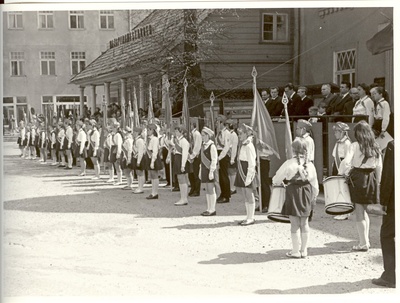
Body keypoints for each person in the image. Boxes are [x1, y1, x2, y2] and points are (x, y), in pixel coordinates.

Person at [338, 121, 382, 252]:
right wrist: (378, 182)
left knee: (359, 212)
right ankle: (365, 241)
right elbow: (379, 166)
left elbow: (346, 162)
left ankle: (363, 243)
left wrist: (342, 173)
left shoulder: (354, 145)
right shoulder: (376, 146)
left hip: (358, 177)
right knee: (364, 210)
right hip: (371, 178)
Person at [272, 137, 319, 258]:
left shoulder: (289, 163)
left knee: (294, 223)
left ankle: (295, 251)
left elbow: (276, 178)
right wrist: (313, 197)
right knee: (305, 222)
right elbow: (315, 184)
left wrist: (278, 183)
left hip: (293, 192)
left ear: (293, 150)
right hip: (307, 192)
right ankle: (304, 251)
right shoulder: (310, 165)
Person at [371, 140, 395, 288]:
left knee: (387, 234)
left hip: (395, 200)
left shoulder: (393, 145)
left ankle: (390, 276)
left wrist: (384, 200)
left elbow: (388, 176)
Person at [235, 123, 258, 226]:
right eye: (238, 133)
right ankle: (247, 216)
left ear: (246, 133)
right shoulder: (243, 144)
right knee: (245, 194)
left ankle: (251, 217)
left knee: (249, 194)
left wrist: (249, 177)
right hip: (242, 169)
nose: (239, 135)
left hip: (247, 171)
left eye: (240, 133)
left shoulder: (249, 145)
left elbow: (252, 163)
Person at [331, 122, 352, 220]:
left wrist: (345, 172)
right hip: (337, 166)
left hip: (343, 168)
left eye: (336, 131)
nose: (334, 133)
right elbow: (335, 156)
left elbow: (347, 159)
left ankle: (345, 212)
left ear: (342, 132)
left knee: (344, 190)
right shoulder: (338, 142)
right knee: (338, 189)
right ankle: (340, 210)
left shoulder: (347, 143)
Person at [200, 127, 218, 216]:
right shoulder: (203, 145)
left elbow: (214, 160)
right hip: (204, 169)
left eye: (203, 135)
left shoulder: (212, 146)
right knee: (207, 189)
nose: (202, 137)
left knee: (211, 189)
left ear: (208, 135)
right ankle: (208, 208)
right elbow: (201, 160)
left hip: (210, 169)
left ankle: (213, 209)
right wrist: (200, 170)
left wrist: (211, 171)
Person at [172, 125, 190, 206]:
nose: (175, 133)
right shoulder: (178, 141)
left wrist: (183, 165)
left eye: (177, 131)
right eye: (175, 131)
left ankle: (184, 198)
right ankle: (182, 197)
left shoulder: (184, 141)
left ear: (181, 132)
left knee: (182, 179)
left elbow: (185, 154)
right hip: (177, 158)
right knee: (180, 179)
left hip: (181, 160)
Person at [215, 115, 231, 203]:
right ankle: (222, 193)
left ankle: (226, 195)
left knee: (224, 175)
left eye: (218, 122)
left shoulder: (227, 133)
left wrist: (219, 157)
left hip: (223, 155)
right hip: (219, 154)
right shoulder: (219, 132)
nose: (216, 124)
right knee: (220, 176)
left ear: (222, 123)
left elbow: (226, 147)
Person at [146, 124, 162, 199]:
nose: (148, 131)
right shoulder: (150, 139)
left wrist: (152, 161)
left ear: (153, 131)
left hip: (154, 157)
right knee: (152, 176)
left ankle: (155, 193)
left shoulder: (155, 139)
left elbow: (155, 151)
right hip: (150, 157)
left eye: (149, 130)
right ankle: (153, 192)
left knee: (154, 175)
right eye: (147, 130)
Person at [132, 126, 147, 194]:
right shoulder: (136, 140)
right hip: (136, 157)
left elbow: (140, 152)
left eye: (135, 132)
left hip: (140, 157)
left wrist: (138, 161)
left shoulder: (140, 140)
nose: (133, 133)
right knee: (138, 173)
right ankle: (139, 186)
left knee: (140, 173)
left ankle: (141, 188)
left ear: (138, 133)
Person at [188, 122, 202, 197]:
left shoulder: (197, 134)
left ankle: (197, 190)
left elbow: (197, 146)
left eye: (190, 124)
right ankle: (192, 188)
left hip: (195, 156)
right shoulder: (190, 134)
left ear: (193, 125)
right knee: (191, 173)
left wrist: (192, 155)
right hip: (190, 155)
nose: (189, 126)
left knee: (196, 173)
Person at [226, 119, 238, 196]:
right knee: (229, 172)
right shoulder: (229, 134)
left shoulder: (234, 135)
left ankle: (233, 188)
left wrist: (232, 158)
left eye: (227, 125)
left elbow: (234, 147)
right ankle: (231, 187)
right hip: (228, 154)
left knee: (232, 172)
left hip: (231, 155)